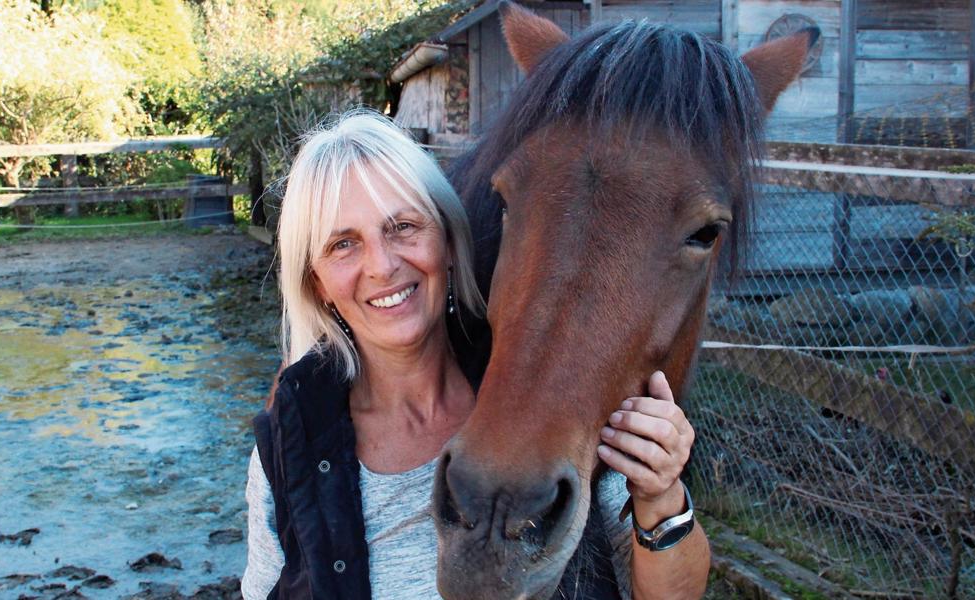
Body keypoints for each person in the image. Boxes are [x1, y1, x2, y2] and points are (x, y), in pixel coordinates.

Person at [242, 109, 708, 599]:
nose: (382, 266)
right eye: (343, 244)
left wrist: (661, 496)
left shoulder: (546, 385)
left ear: (445, 240)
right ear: (318, 286)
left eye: (402, 226)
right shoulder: (288, 441)